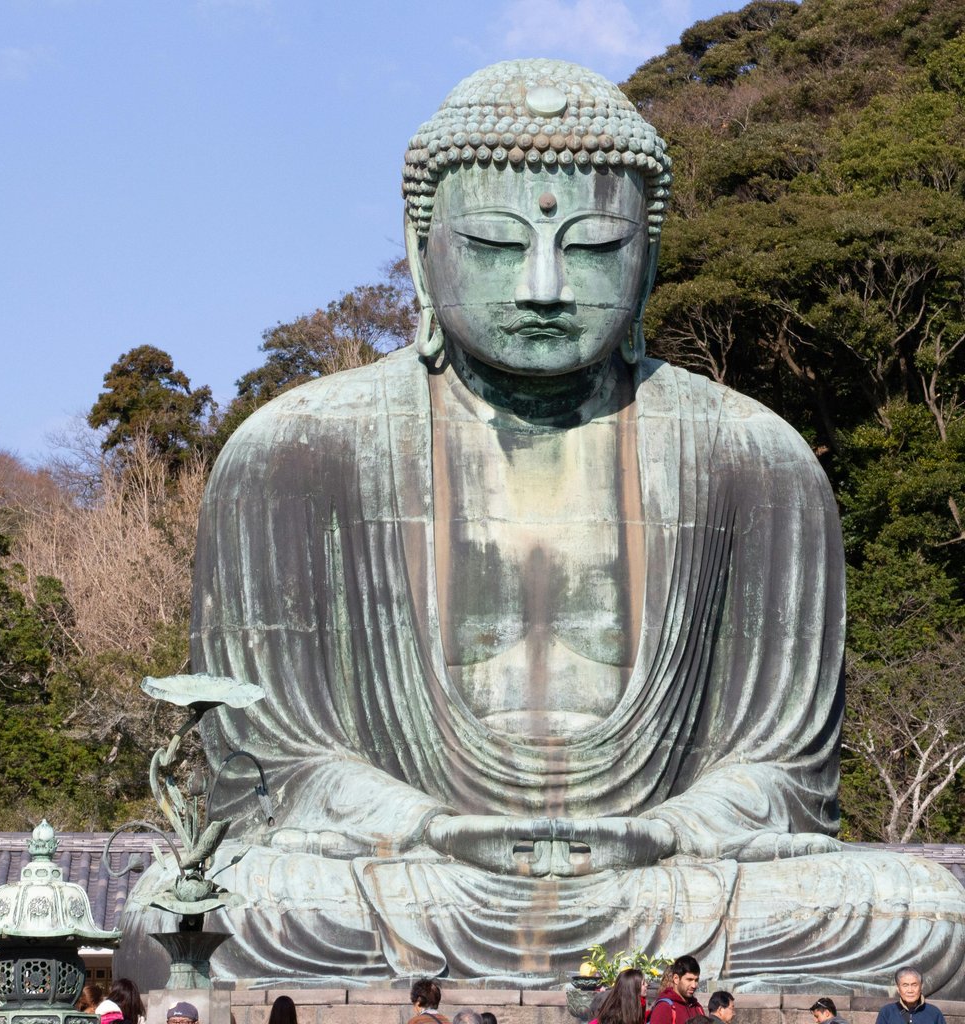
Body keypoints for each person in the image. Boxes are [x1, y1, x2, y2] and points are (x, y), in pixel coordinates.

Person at [117, 56, 965, 995]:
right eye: (494, 241)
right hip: (405, 872)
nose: (547, 285)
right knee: (198, 904)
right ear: (419, 246)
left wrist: (672, 828)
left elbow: (783, 772)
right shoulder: (294, 452)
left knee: (917, 909)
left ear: (648, 260)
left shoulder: (755, 459)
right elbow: (271, 766)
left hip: (665, 874)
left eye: (596, 247)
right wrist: (427, 826)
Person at [876, 969, 946, 1024]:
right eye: (905, 985)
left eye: (914, 985)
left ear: (921, 987)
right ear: (898, 989)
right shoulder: (887, 1012)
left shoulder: (934, 1013)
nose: (910, 990)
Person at [649, 958, 704, 1024]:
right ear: (676, 979)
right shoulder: (664, 1008)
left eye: (696, 980)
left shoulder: (697, 1008)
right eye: (689, 980)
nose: (694, 985)